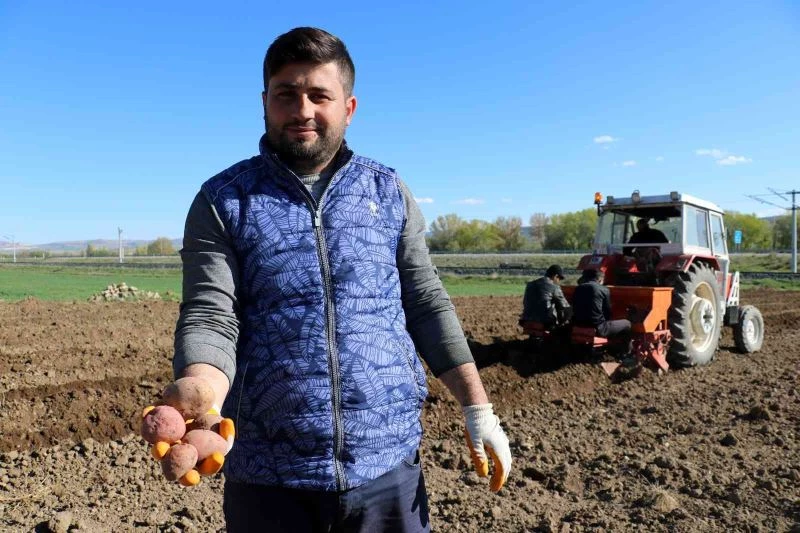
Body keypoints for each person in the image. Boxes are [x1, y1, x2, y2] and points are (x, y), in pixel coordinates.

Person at [167, 27, 511, 533]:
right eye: (286, 94)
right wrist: (203, 391)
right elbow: (210, 313)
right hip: (268, 476)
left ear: (348, 108)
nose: (303, 109)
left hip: (387, 468)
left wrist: (477, 407)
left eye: (319, 95)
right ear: (265, 103)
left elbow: (426, 303)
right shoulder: (224, 200)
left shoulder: (387, 191)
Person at [572, 269, 632, 344]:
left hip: (579, 325)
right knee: (627, 323)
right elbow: (607, 311)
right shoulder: (604, 289)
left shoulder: (578, 288)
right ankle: (626, 351)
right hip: (598, 328)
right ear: (600, 279)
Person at [520, 264, 571, 329]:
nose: (559, 281)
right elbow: (565, 307)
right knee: (568, 311)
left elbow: (525, 302)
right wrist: (563, 321)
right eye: (559, 279)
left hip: (525, 318)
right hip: (545, 321)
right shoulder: (554, 287)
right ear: (555, 276)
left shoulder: (530, 285)